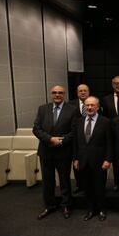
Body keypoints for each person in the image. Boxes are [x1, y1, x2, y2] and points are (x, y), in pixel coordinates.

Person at [33, 85, 76, 220]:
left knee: (64, 181)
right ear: (51, 94)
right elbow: (36, 128)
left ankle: (66, 205)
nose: (57, 95)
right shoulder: (42, 109)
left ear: (64, 94)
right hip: (46, 151)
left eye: (60, 93)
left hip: (63, 152)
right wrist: (50, 139)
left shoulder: (72, 110)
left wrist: (62, 141)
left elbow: (74, 131)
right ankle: (49, 205)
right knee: (47, 181)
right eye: (54, 92)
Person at [73, 96, 113, 221]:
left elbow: (109, 143)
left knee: (99, 187)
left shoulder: (105, 121)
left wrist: (108, 159)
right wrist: (75, 159)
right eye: (87, 105)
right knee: (87, 187)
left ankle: (101, 210)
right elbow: (75, 142)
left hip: (99, 161)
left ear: (97, 107)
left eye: (92, 105)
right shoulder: (78, 121)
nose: (89, 108)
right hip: (83, 161)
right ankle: (90, 210)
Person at [102, 75, 119, 191]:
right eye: (116, 84)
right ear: (113, 85)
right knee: (117, 161)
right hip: (112, 135)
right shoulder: (106, 99)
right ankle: (117, 182)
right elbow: (104, 118)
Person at [68, 84, 90, 194]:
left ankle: (91, 185)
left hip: (91, 136)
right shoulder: (70, 104)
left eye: (85, 90)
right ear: (77, 93)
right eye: (80, 91)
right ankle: (79, 185)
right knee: (77, 162)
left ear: (88, 92)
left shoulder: (94, 103)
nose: (82, 92)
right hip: (76, 137)